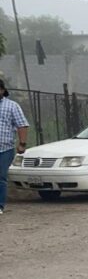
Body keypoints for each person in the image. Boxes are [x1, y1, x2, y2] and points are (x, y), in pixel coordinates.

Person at [0, 79, 30, 215]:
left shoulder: (12, 106)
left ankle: (0, 205)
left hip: (4, 149)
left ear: (2, 90)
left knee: (1, 177)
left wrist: (22, 144)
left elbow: (22, 125)